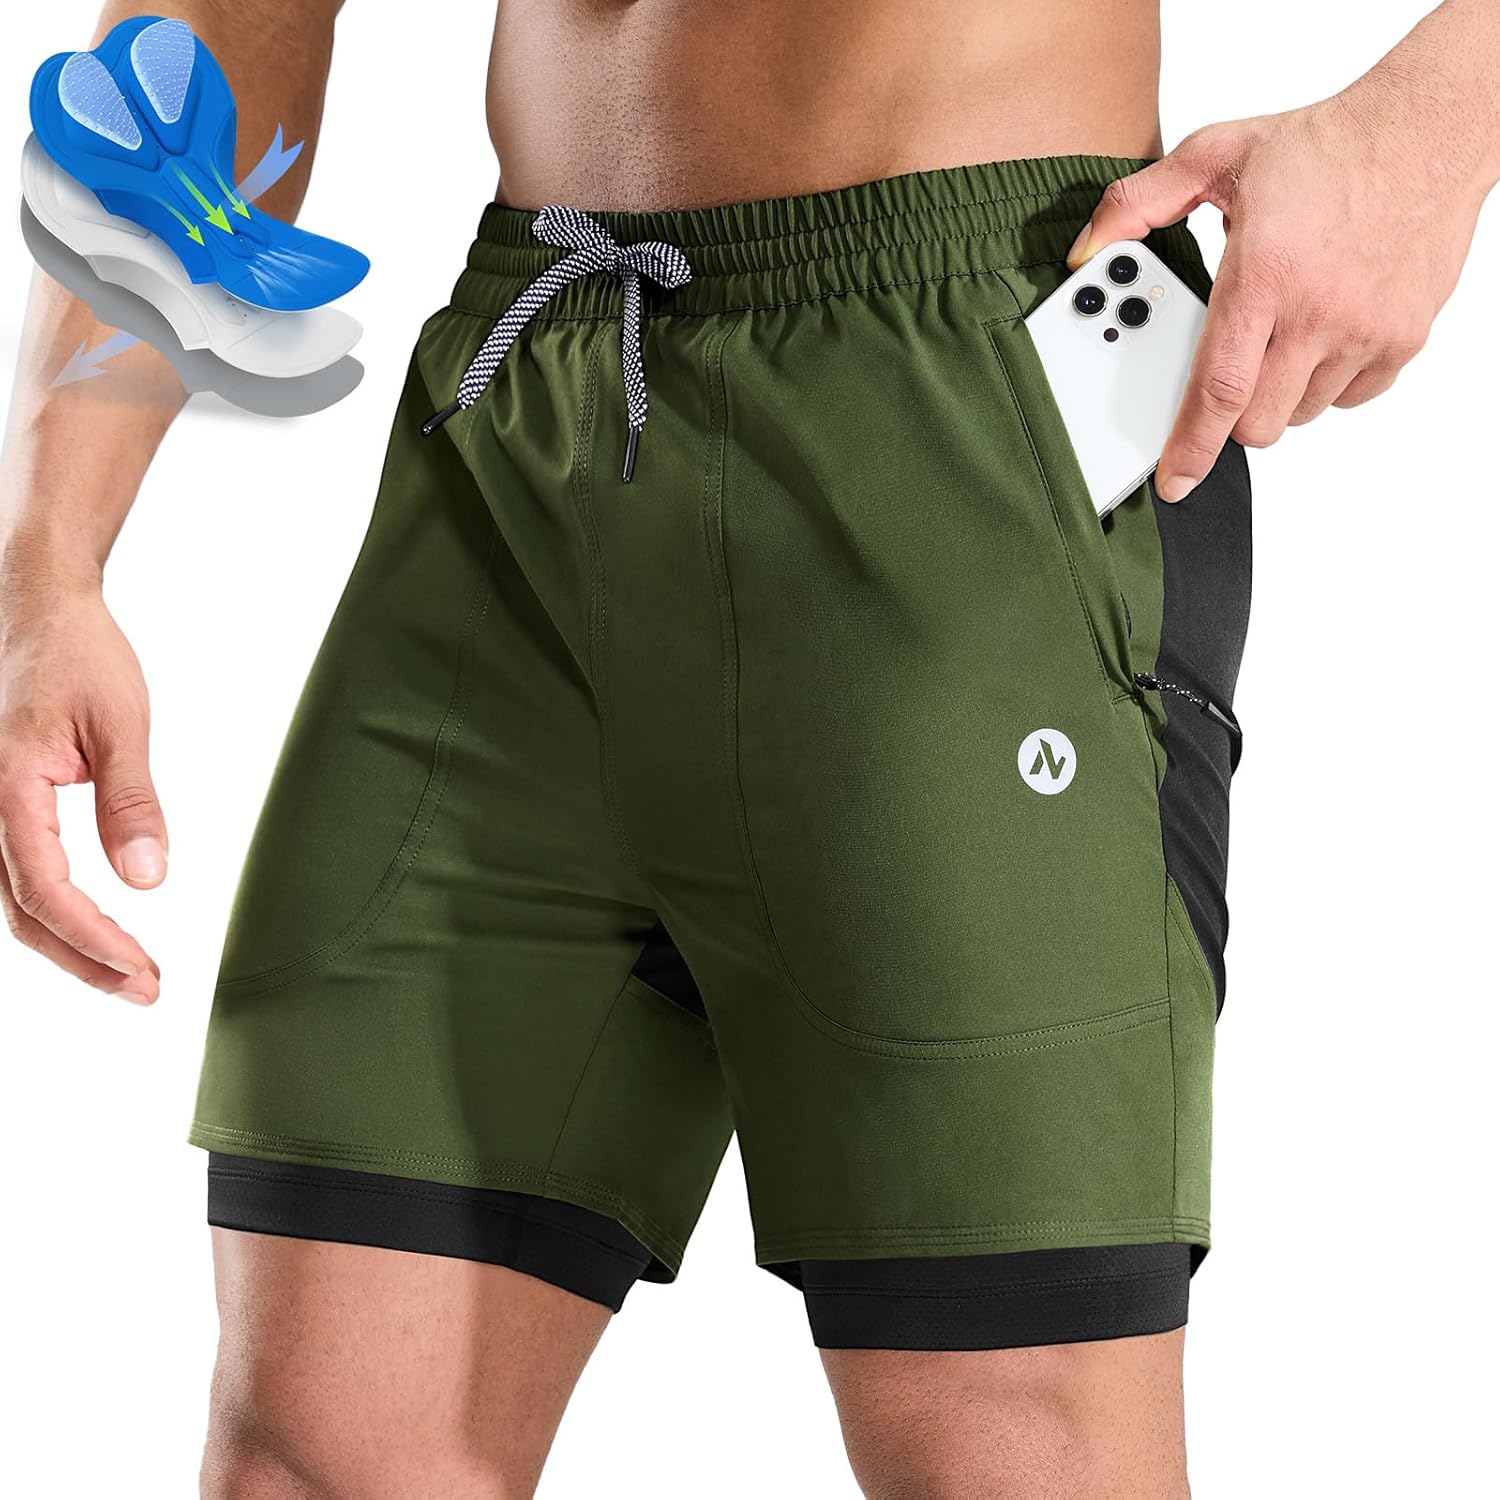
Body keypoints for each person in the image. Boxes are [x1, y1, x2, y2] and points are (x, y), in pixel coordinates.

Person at [0, 0, 1493, 1493]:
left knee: (1011, 1438)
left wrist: (1431, 117)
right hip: (529, 391)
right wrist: (49, 558)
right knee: (318, 1448)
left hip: (966, 387)